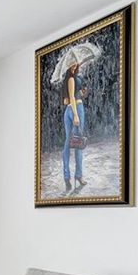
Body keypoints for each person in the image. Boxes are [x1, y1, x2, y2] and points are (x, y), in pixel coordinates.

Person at [61, 62, 87, 192]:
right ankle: (78, 175)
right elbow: (72, 96)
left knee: (69, 141)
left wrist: (83, 92)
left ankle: (68, 177)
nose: (74, 66)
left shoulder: (71, 79)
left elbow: (68, 99)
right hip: (76, 109)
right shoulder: (71, 78)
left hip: (68, 110)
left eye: (75, 65)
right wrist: (76, 115)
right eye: (72, 65)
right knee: (78, 142)